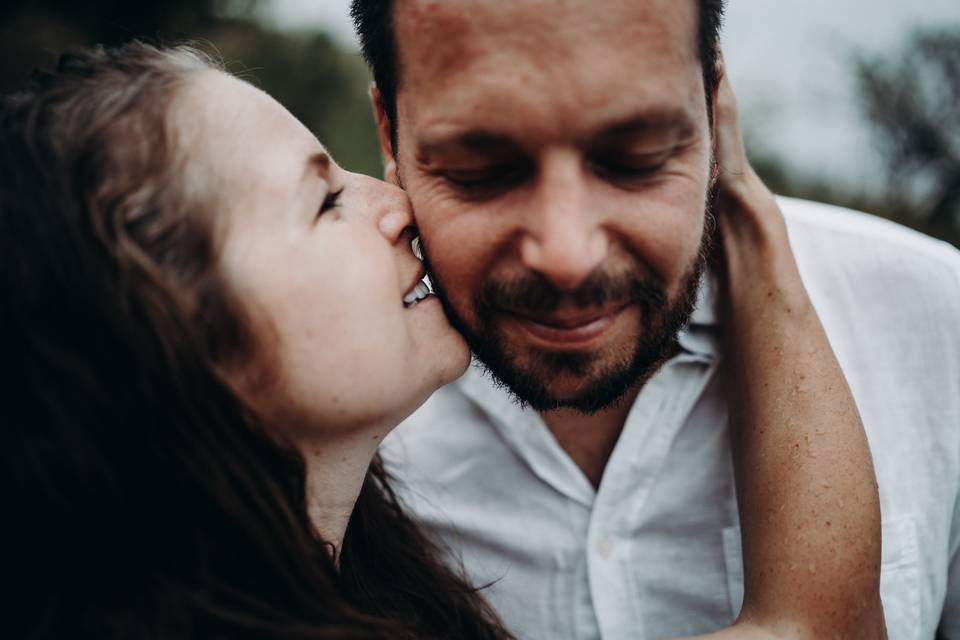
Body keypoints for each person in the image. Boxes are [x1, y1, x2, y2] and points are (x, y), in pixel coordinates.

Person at [0, 42, 881, 639]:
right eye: (324, 200)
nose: (395, 205)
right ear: (178, 331)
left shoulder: (365, 587)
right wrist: (742, 209)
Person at [350, 0, 960, 638]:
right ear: (390, 135)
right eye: (482, 171)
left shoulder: (928, 313)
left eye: (635, 159)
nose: (567, 257)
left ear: (712, 108)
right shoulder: (316, 405)